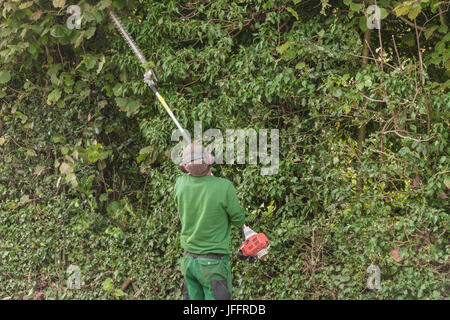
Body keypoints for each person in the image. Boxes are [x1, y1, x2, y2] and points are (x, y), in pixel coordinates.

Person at [174, 142, 246, 300]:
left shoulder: (180, 185)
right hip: (212, 265)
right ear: (210, 161)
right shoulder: (224, 187)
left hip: (188, 262)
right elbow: (238, 219)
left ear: (184, 168)